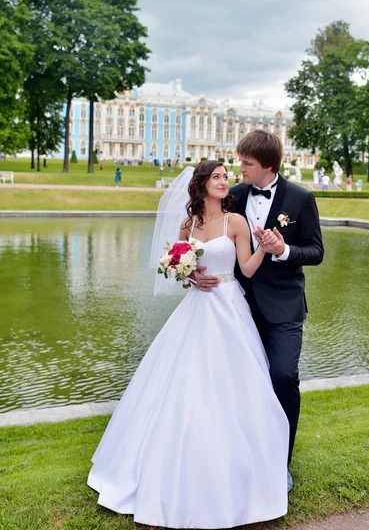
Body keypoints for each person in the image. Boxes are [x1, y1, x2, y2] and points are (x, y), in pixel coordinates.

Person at [88, 160, 289, 528]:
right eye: (217, 177)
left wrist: (266, 246)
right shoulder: (188, 224)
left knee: (234, 385)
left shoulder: (237, 222)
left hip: (229, 308)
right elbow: (179, 266)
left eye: (227, 176)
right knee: (183, 382)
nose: (225, 181)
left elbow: (246, 269)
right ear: (202, 183)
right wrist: (191, 276)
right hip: (197, 309)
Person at [193, 131, 324, 492]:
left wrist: (282, 249)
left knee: (282, 377)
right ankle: (234, 458)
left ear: (267, 165)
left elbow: (315, 251)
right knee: (232, 383)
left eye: (246, 163)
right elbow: (203, 240)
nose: (239, 169)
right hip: (235, 309)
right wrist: (190, 270)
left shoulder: (300, 198)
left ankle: (280, 464)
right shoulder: (233, 195)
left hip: (283, 307)